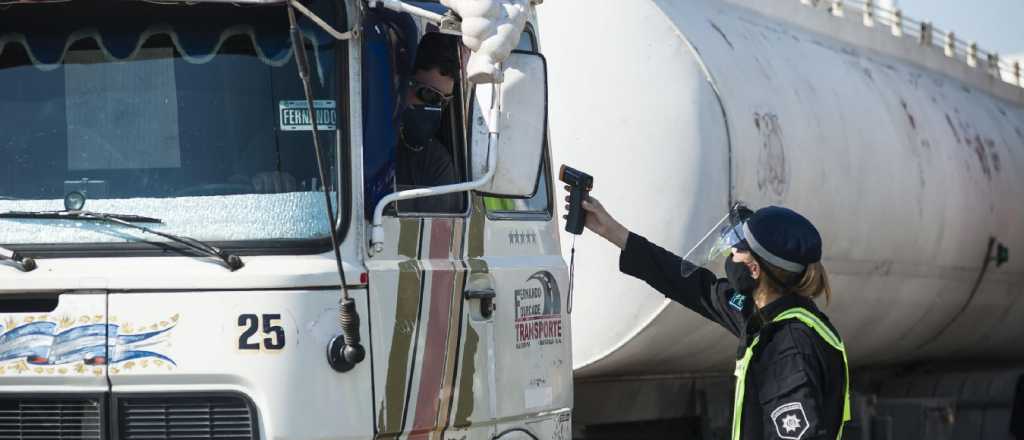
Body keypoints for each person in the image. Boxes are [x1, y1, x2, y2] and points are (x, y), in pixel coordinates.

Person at [569, 194, 850, 440]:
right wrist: (614, 232)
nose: (731, 254)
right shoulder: (762, 315)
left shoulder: (787, 346)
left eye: (738, 249)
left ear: (755, 269)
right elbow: (698, 288)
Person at [395, 33, 463, 213]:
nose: (436, 108)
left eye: (444, 102)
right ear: (401, 84)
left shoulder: (435, 161)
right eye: (429, 95)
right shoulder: (357, 140)